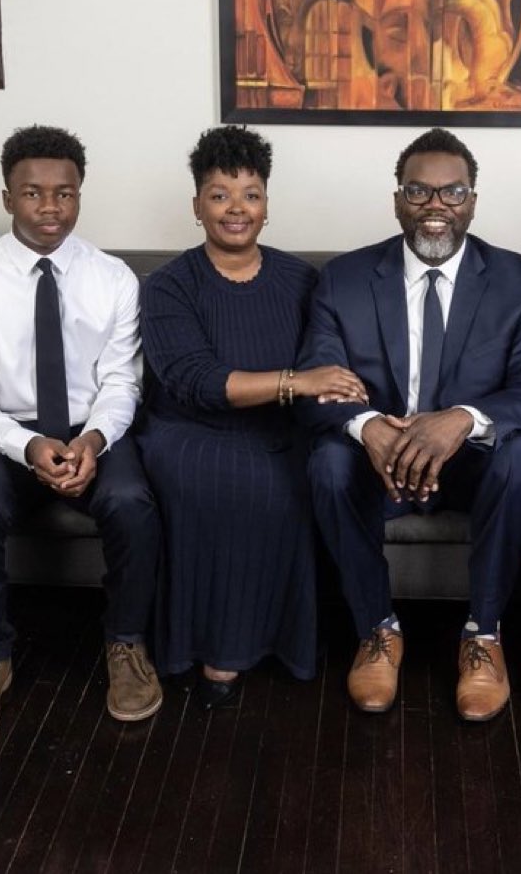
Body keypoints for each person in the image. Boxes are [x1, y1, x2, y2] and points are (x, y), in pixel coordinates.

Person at [297, 127, 521, 722]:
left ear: (472, 199)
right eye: (420, 191)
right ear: (397, 198)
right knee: (328, 460)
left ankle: (483, 635)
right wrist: (368, 427)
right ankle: (377, 629)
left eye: (452, 192)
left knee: (519, 457)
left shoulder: (519, 281)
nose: (436, 205)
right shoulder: (343, 279)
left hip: (468, 466)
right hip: (380, 464)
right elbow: (317, 379)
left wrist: (461, 421)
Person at [0, 125, 163, 738]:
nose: (50, 208)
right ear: (9, 198)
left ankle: (127, 646)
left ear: (79, 194)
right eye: (33, 193)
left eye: (64, 193)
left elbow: (122, 384)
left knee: (131, 502)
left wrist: (91, 441)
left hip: (93, 432)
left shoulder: (112, 279)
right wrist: (29, 445)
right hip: (6, 435)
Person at [136, 125, 366, 711]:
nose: (236, 209)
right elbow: (195, 382)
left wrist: (316, 388)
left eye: (251, 194)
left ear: (267, 204)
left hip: (280, 429)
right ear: (196, 206)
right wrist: (297, 383)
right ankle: (215, 651)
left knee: (303, 474)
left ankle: (284, 643)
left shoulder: (302, 280)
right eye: (219, 194)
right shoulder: (168, 286)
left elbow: (329, 364)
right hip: (188, 433)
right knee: (231, 479)